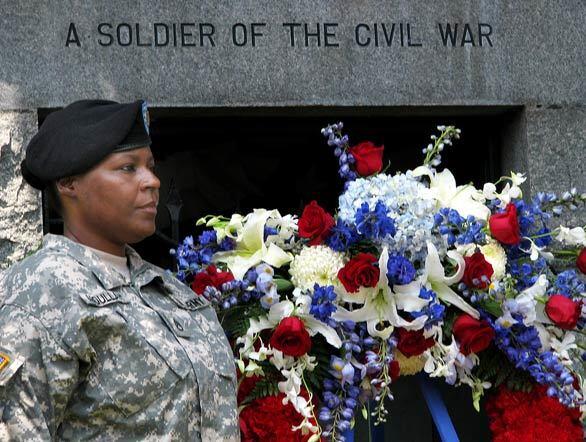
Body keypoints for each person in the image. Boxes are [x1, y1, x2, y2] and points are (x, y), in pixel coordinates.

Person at [0, 100, 239, 441]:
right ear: (69, 183)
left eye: (150, 166)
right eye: (128, 168)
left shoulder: (172, 292)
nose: (153, 181)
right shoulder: (41, 292)